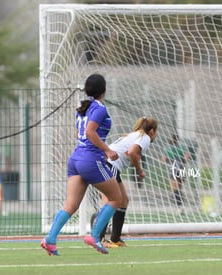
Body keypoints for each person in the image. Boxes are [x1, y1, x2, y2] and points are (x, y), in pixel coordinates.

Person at [41, 73, 122, 256]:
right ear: (104, 90)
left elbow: (80, 135)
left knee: (71, 205)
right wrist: (107, 150)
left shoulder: (83, 108)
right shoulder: (99, 109)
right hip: (90, 160)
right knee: (116, 198)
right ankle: (94, 236)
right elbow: (90, 132)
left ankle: (50, 239)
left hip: (76, 159)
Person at [98, 116, 158, 248]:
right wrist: (139, 170)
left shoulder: (134, 135)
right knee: (110, 202)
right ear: (152, 131)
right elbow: (131, 152)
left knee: (123, 200)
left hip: (109, 165)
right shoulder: (145, 137)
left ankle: (115, 238)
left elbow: (129, 152)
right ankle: (99, 238)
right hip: (108, 165)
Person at [162, 134, 190, 214]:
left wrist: (168, 160)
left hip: (173, 169)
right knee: (179, 187)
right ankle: (180, 205)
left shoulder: (167, 148)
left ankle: (179, 206)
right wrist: (183, 160)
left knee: (175, 188)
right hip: (182, 168)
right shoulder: (182, 147)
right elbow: (187, 156)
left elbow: (163, 159)